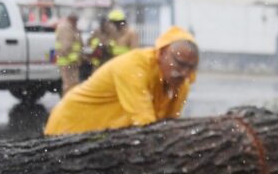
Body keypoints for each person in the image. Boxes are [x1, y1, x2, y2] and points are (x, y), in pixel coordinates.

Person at [44, 26, 199, 135]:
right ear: (162, 52)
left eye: (191, 67)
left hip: (101, 137)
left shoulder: (182, 83)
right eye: (179, 63)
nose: (184, 72)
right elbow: (145, 123)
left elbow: (168, 126)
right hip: (69, 126)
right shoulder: (133, 66)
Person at [53, 13, 83, 95]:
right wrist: (73, 58)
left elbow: (78, 44)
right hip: (67, 61)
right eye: (76, 20)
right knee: (69, 84)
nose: (77, 22)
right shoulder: (66, 28)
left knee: (73, 84)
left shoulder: (72, 28)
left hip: (71, 61)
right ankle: (68, 102)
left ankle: (71, 101)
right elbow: (66, 46)